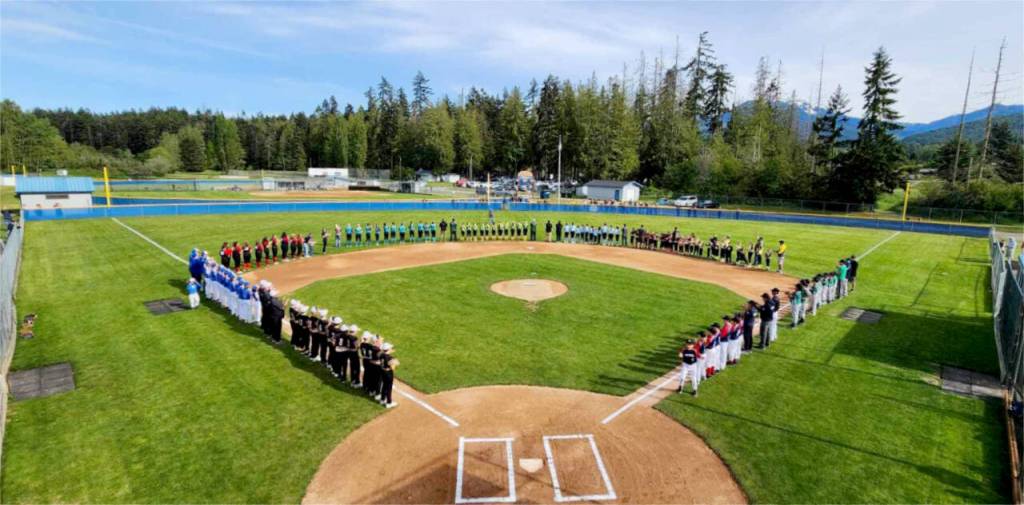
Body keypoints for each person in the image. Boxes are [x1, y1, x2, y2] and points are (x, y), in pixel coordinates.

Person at [379, 342, 398, 408]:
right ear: (388, 349)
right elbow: (393, 368)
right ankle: (389, 402)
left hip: (382, 371)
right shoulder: (390, 358)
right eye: (390, 348)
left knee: (384, 385)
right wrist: (395, 363)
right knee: (389, 388)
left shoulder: (381, 354)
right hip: (388, 373)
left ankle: (382, 399)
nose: (391, 349)